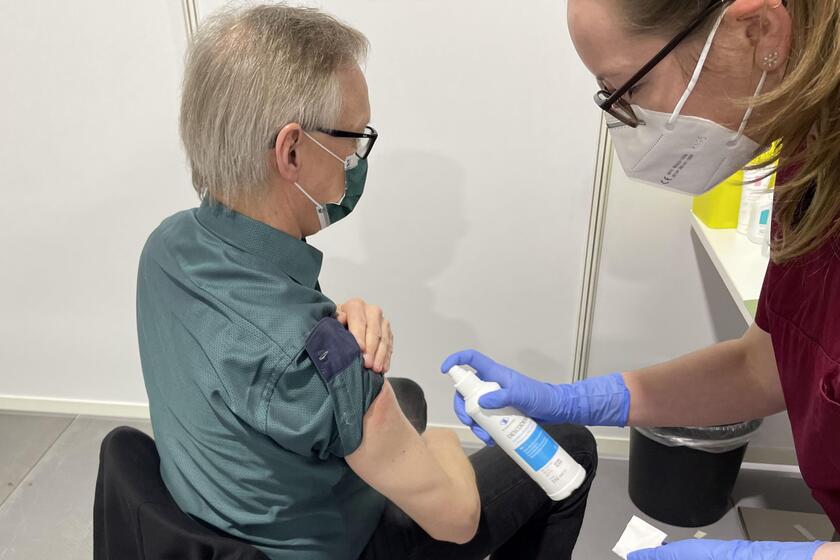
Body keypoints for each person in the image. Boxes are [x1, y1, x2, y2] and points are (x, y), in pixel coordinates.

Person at [137, 5, 596, 560]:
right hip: (335, 549)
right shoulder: (314, 360)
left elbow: (266, 352)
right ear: (291, 151)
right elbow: (457, 520)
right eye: (354, 139)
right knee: (570, 447)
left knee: (406, 395)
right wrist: (441, 440)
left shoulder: (167, 246)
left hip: (222, 511)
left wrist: (333, 332)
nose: (357, 158)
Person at [444, 1, 840, 559]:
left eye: (630, 87)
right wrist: (575, 400)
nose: (627, 121)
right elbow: (768, 365)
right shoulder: (809, 161)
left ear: (759, 30)